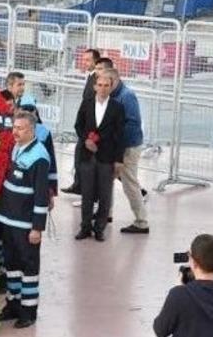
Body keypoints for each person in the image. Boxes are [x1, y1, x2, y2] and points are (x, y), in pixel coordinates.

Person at [0, 111, 50, 329]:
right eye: (14, 128)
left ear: (32, 130)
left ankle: (28, 311)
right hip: (9, 220)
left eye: (20, 129)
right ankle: (13, 304)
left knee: (28, 268)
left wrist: (37, 228)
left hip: (25, 225)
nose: (15, 132)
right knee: (11, 266)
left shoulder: (39, 157)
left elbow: (40, 196)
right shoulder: (17, 148)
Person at [74, 73, 125, 242]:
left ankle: (99, 228)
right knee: (86, 194)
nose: (103, 89)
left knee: (105, 195)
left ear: (111, 87)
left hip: (107, 157)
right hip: (87, 156)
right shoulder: (87, 103)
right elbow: (78, 125)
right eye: (100, 85)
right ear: (95, 86)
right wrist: (85, 140)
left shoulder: (117, 107)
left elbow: (120, 135)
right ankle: (85, 227)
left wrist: (119, 160)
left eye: (106, 85)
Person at [104, 68, 150, 235]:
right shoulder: (117, 95)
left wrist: (120, 153)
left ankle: (141, 221)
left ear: (114, 81)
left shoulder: (126, 96)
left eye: (107, 83)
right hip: (121, 146)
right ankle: (106, 213)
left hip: (128, 147)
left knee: (130, 183)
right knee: (108, 180)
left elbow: (131, 124)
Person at [63, 57, 114, 195]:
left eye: (99, 69)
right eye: (96, 69)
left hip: (99, 136)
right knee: (82, 160)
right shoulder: (93, 81)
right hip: (87, 132)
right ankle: (80, 188)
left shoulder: (112, 91)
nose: (96, 71)